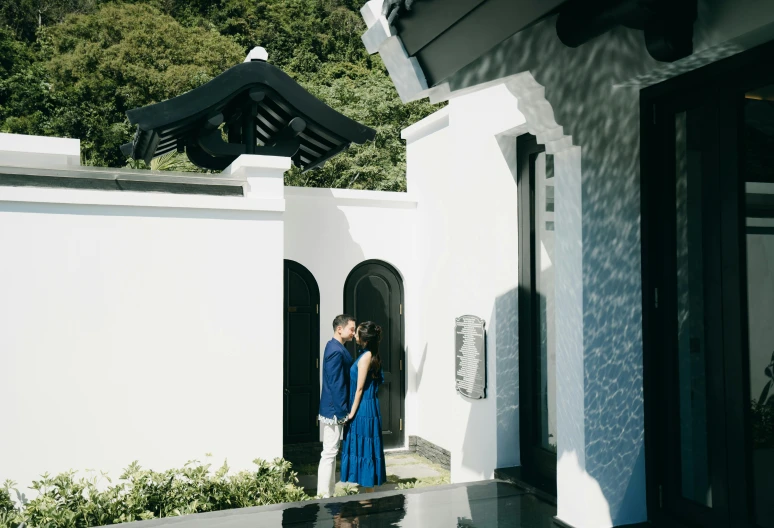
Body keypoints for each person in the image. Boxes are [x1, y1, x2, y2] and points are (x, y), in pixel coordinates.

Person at [340, 321, 388, 493]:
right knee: (365, 447)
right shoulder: (368, 354)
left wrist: (351, 413)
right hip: (366, 405)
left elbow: (360, 388)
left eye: (357, 333)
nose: (354, 335)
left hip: (362, 408)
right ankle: (367, 496)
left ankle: (368, 499)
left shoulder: (366, 356)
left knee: (365, 448)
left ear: (365, 339)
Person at [316, 314, 356, 498]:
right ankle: (324, 495)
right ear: (339, 329)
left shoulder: (336, 347)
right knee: (329, 453)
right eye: (351, 329)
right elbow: (335, 383)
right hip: (334, 409)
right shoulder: (335, 349)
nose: (353, 333)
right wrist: (342, 412)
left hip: (335, 408)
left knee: (331, 452)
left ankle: (328, 493)